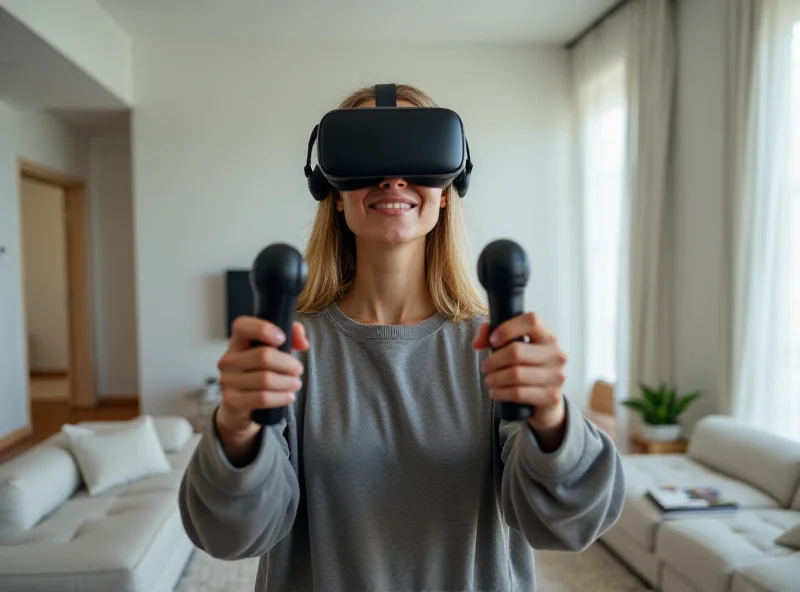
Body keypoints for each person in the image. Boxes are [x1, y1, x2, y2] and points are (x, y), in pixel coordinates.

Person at [178, 83, 625, 592]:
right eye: (369, 155)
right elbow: (230, 536)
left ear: (447, 192)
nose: (393, 178)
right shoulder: (287, 354)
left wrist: (552, 418)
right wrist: (235, 429)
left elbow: (568, 524)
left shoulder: (496, 352)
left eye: (416, 156)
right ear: (334, 194)